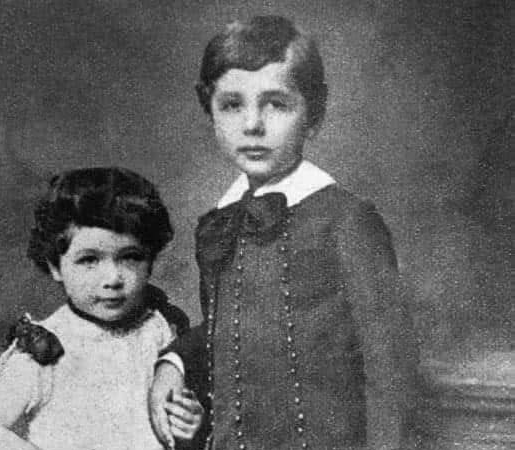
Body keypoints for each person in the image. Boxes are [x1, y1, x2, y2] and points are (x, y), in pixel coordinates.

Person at [149, 15, 418, 450]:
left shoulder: (347, 221)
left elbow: (390, 370)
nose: (252, 125)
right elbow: (231, 329)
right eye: (232, 105)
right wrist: (175, 362)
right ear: (209, 110)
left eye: (276, 104)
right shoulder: (221, 221)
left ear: (313, 113)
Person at [0, 167, 203, 450]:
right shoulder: (46, 349)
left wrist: (188, 422)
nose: (112, 279)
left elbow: (178, 420)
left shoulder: (159, 328)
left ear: (150, 260)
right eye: (89, 260)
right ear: (55, 266)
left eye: (130, 257)